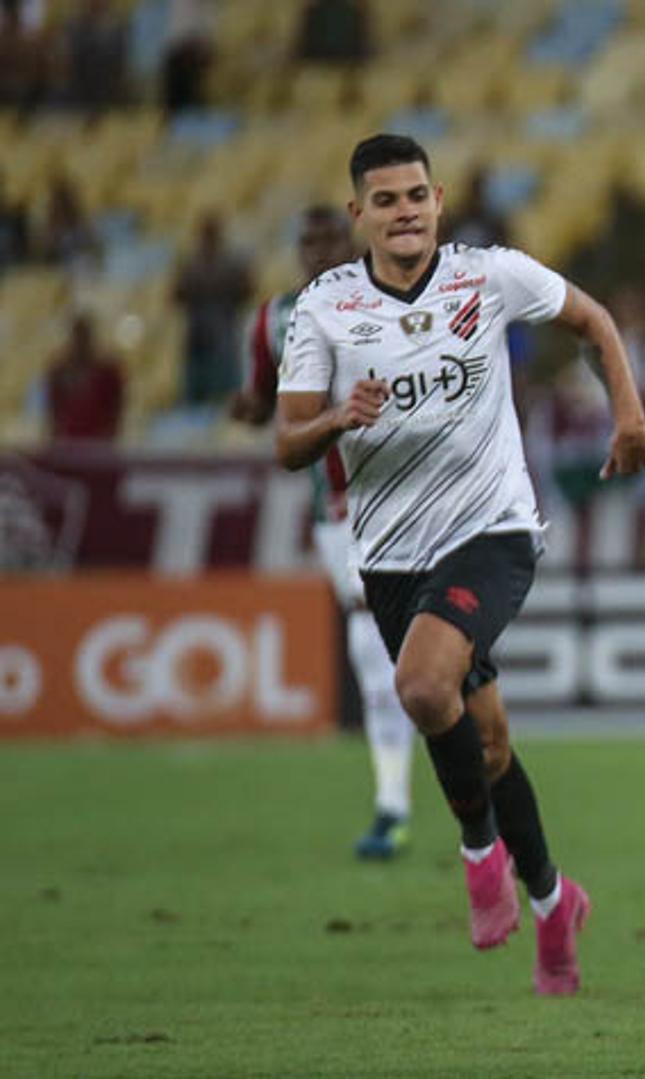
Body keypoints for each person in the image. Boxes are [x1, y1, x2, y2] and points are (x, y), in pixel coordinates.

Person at [274, 134, 645, 994]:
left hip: (493, 528)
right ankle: (556, 904)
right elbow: (287, 441)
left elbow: (593, 319)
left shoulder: (489, 275)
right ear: (358, 215)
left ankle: (481, 854)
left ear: (439, 200)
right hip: (389, 552)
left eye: (417, 196)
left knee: (419, 686)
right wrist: (338, 419)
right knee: (485, 741)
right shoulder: (325, 308)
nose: (405, 211)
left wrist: (626, 416)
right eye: (386, 200)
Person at [231, 205, 414, 861]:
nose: (319, 250)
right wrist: (249, 406)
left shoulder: (398, 293)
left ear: (351, 237)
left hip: (415, 488)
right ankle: (393, 802)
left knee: (423, 647)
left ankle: (456, 777)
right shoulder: (275, 319)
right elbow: (264, 402)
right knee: (372, 641)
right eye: (307, 241)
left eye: (329, 237)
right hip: (339, 503)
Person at [173, 212, 254, 406]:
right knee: (196, 395)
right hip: (197, 339)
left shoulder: (231, 264)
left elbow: (247, 289)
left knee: (226, 393)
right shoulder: (189, 265)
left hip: (224, 336)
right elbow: (176, 295)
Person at [45, 313, 124, 441]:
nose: (80, 341)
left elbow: (116, 408)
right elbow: (53, 410)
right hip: (68, 440)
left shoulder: (107, 371)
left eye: (84, 336)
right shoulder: (59, 371)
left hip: (98, 441)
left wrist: (111, 435)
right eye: (77, 336)